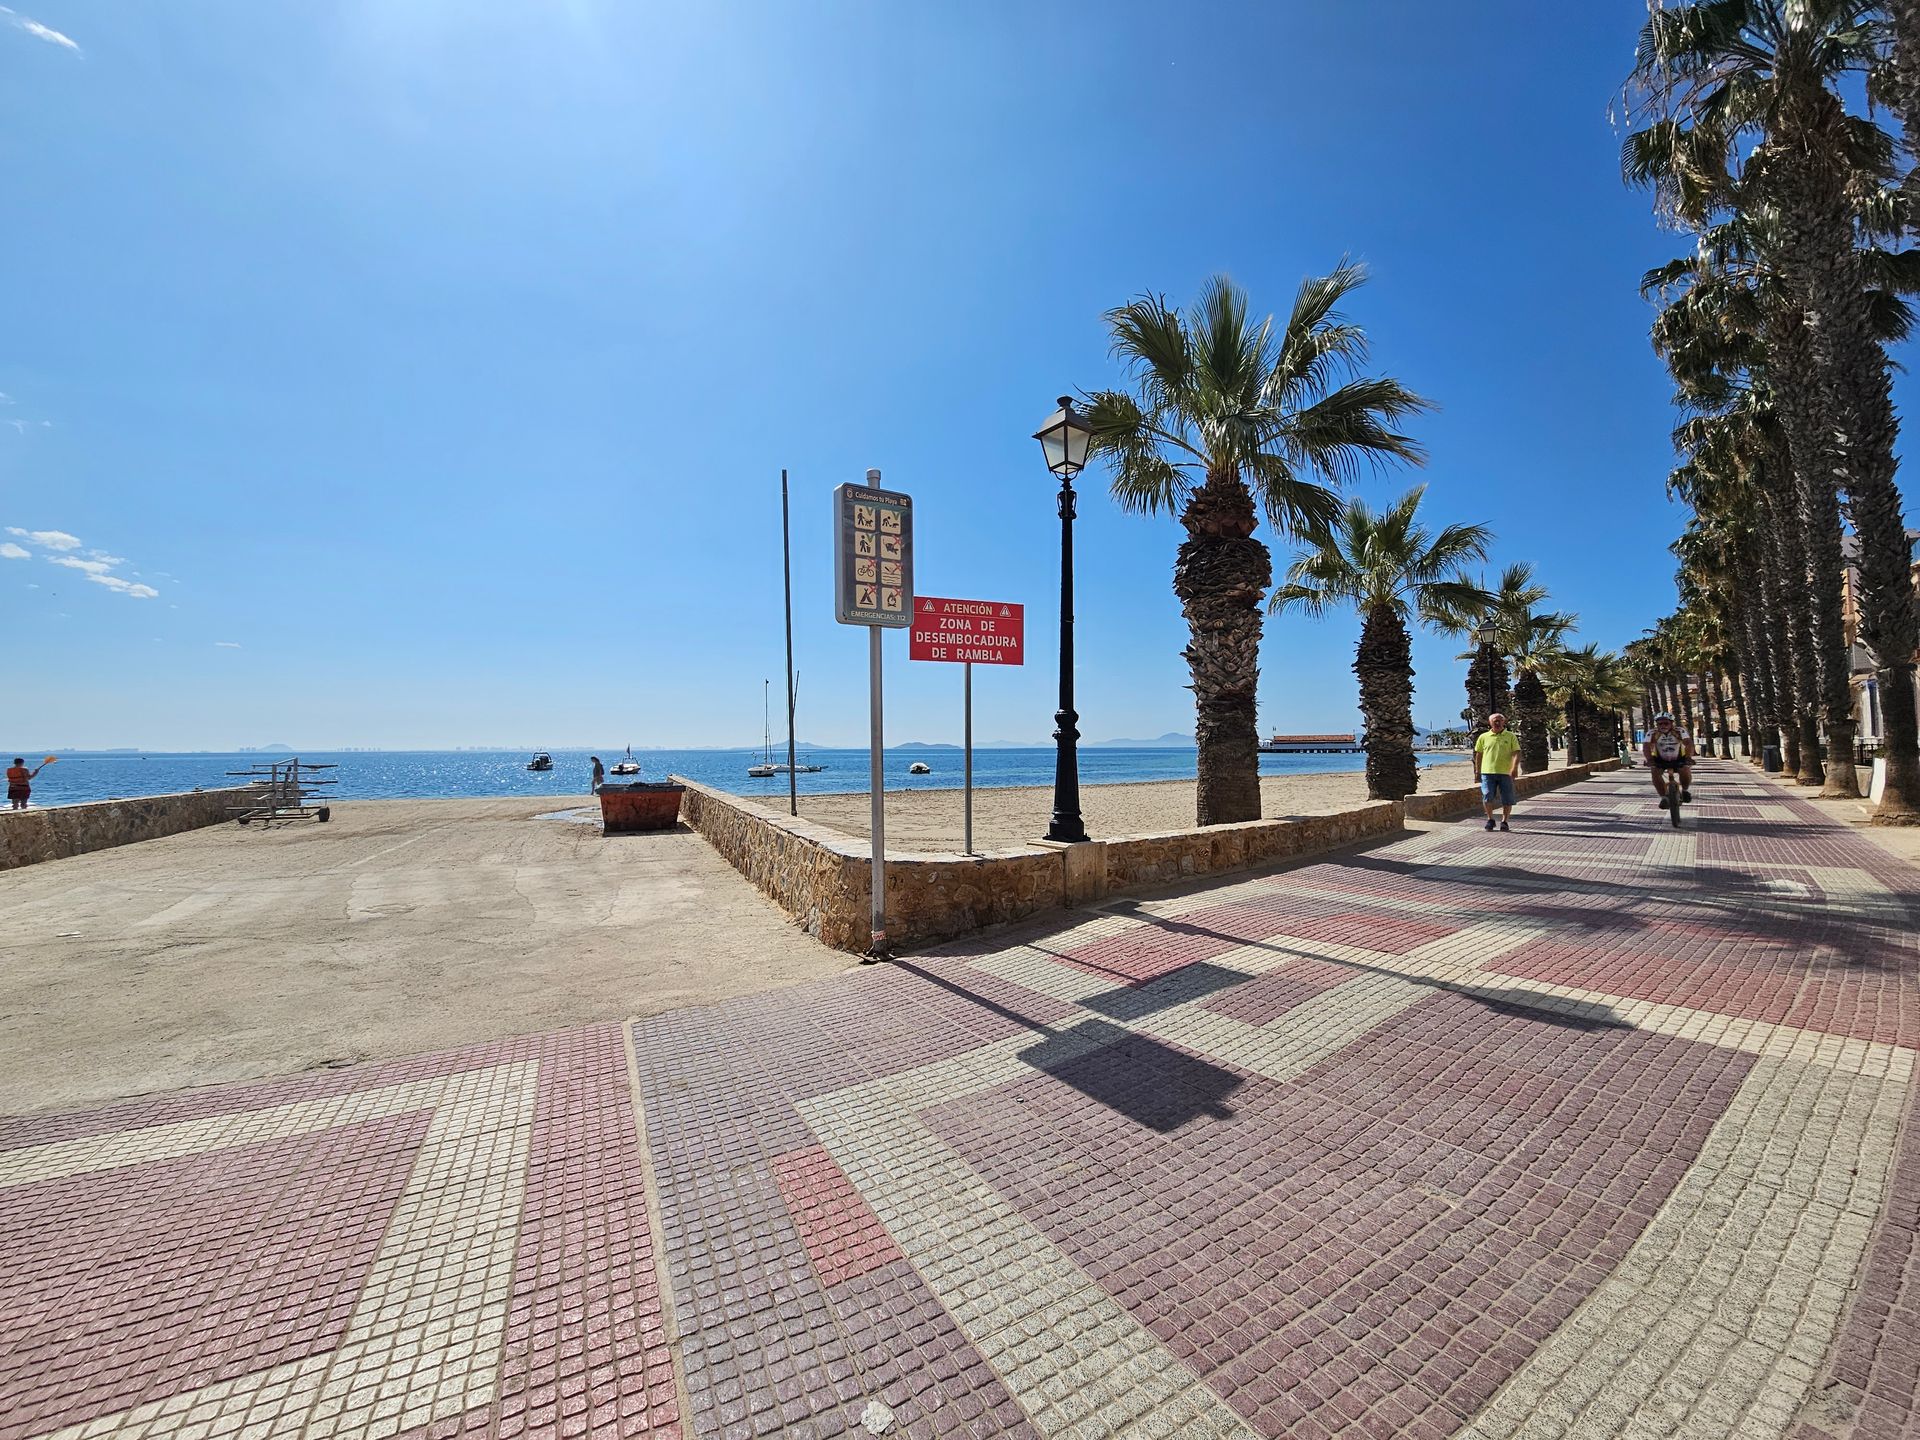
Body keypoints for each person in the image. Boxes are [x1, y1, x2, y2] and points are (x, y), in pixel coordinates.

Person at [1474, 713, 1521, 832]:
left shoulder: (1510, 736)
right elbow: (1478, 755)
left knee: (1507, 798)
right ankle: (1490, 819)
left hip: (1506, 773)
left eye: (1500, 720)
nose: (1497, 722)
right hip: (1487, 772)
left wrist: (1514, 768)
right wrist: (1477, 771)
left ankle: (1504, 821)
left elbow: (1516, 752)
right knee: (1487, 795)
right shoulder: (1483, 737)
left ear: (1504, 722)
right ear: (1490, 723)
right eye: (1495, 720)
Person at [1642, 713, 1693, 807]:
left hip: (1679, 758)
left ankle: (1685, 791)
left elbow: (1688, 743)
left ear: (1671, 723)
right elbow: (1646, 746)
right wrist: (1649, 759)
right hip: (1659, 760)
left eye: (1666, 723)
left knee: (1685, 769)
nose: (1663, 726)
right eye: (1660, 724)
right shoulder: (1652, 733)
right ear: (1657, 725)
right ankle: (1664, 798)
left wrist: (1688, 757)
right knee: (1654, 772)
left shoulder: (1679, 731)